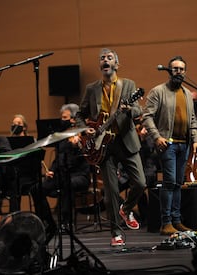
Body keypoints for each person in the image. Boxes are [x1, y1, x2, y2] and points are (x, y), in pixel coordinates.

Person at [75, 48, 147, 246]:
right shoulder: (92, 88)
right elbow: (80, 115)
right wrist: (85, 129)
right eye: (102, 58)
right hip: (102, 146)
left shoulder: (129, 85)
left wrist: (129, 108)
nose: (105, 60)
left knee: (140, 183)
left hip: (126, 141)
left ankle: (127, 208)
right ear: (100, 65)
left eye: (109, 58)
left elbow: (139, 111)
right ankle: (116, 233)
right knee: (111, 192)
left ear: (116, 65)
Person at [142, 55, 197, 236]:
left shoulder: (187, 94)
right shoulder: (158, 91)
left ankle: (176, 220)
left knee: (178, 183)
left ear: (185, 72)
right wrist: (157, 137)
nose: (178, 72)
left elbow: (192, 119)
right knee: (169, 184)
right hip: (168, 144)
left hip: (185, 144)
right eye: (175, 69)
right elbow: (146, 116)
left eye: (181, 69)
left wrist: (196, 140)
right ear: (169, 71)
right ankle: (166, 222)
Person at [43, 103, 90, 226]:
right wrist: (52, 170)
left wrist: (78, 146)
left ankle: (65, 222)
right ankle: (47, 220)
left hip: (80, 175)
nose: (62, 120)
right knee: (37, 188)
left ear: (73, 119)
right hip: (62, 174)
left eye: (65, 118)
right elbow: (58, 158)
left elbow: (86, 156)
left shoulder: (83, 135)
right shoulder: (62, 136)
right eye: (62, 117)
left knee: (66, 183)